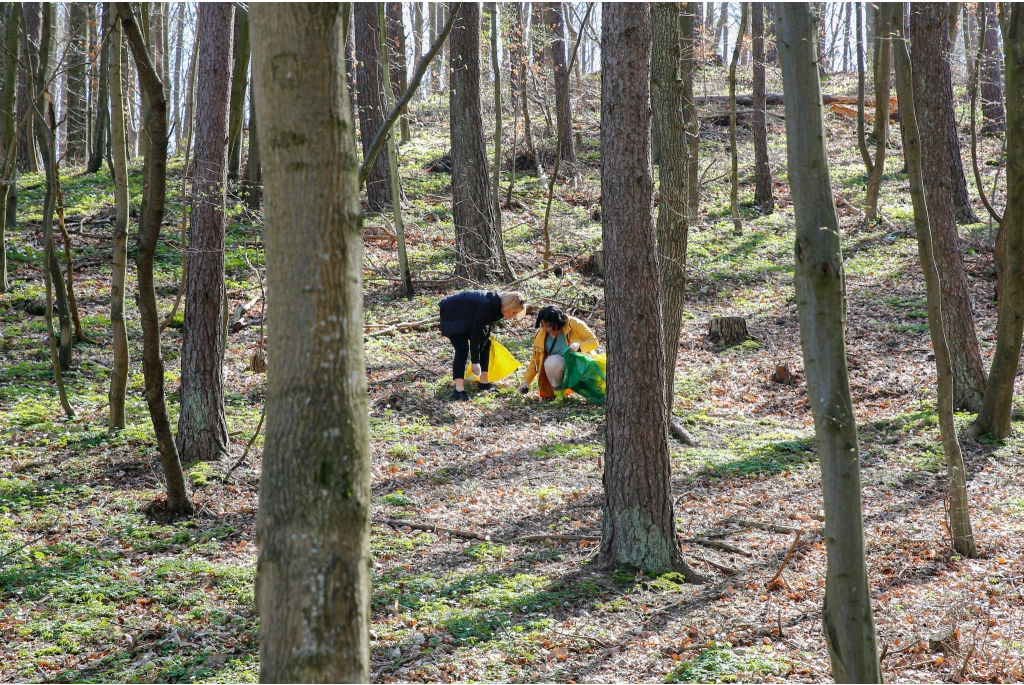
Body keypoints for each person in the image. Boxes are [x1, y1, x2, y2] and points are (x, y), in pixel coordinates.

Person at [439, 290, 525, 401]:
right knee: (462, 349)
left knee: (485, 342)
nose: (513, 316)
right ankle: (458, 390)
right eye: (513, 312)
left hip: (467, 317)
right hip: (452, 315)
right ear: (508, 305)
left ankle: (484, 382)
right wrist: (475, 362)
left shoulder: (496, 305)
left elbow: (480, 329)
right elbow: (475, 333)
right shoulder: (488, 306)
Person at [520, 305, 599, 402]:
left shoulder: (574, 323)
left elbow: (594, 341)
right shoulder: (540, 336)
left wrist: (579, 346)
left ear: (557, 322)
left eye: (548, 325)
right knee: (551, 362)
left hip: (580, 364)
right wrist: (526, 381)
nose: (545, 329)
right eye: (543, 325)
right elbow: (535, 361)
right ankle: (559, 395)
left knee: (595, 394)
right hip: (561, 367)